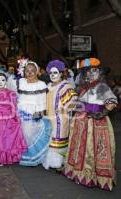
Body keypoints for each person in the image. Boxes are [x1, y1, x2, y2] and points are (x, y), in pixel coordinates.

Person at [63, 58, 118, 191]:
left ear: (99, 73)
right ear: (84, 74)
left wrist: (103, 113)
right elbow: (80, 103)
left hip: (95, 122)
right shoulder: (82, 88)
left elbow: (111, 101)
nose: (92, 74)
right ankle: (78, 173)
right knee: (79, 147)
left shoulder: (101, 87)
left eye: (95, 71)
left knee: (94, 148)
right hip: (80, 121)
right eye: (88, 71)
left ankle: (93, 176)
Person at [8, 61, 52, 166]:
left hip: (33, 113)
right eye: (27, 70)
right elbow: (11, 92)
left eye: (32, 70)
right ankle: (20, 156)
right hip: (20, 112)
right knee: (20, 135)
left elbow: (42, 100)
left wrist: (39, 113)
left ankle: (32, 157)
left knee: (29, 134)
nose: (30, 73)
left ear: (37, 72)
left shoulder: (41, 84)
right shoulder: (21, 82)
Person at [0, 69, 27, 166]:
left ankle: (9, 157)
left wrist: (16, 118)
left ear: (6, 81)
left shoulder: (11, 93)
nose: (1, 82)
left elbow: (14, 106)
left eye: (3, 80)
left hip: (9, 118)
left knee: (8, 139)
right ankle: (0, 158)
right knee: (0, 138)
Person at [42, 60, 77, 170]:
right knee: (50, 139)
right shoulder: (48, 86)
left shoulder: (65, 86)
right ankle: (51, 161)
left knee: (59, 139)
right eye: (51, 73)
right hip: (48, 118)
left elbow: (73, 102)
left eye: (55, 73)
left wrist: (63, 110)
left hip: (60, 119)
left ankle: (59, 162)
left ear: (61, 74)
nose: (52, 75)